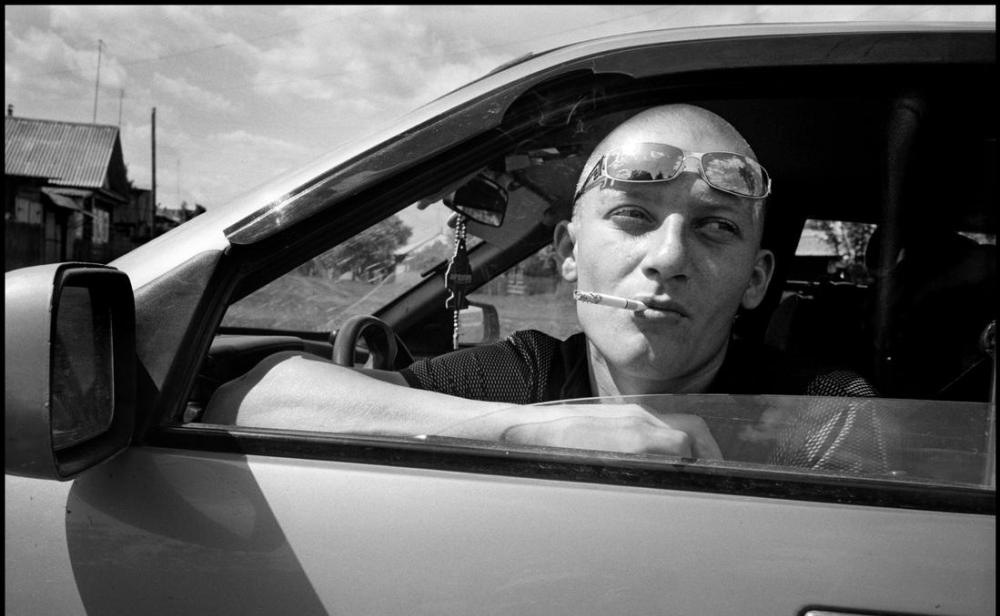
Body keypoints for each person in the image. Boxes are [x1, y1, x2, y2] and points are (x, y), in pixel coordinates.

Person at [204, 104, 886, 470]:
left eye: (715, 227)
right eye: (633, 216)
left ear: (756, 279)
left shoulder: (820, 413)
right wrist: (535, 428)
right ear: (567, 253)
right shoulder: (523, 378)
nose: (668, 257)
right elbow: (249, 398)